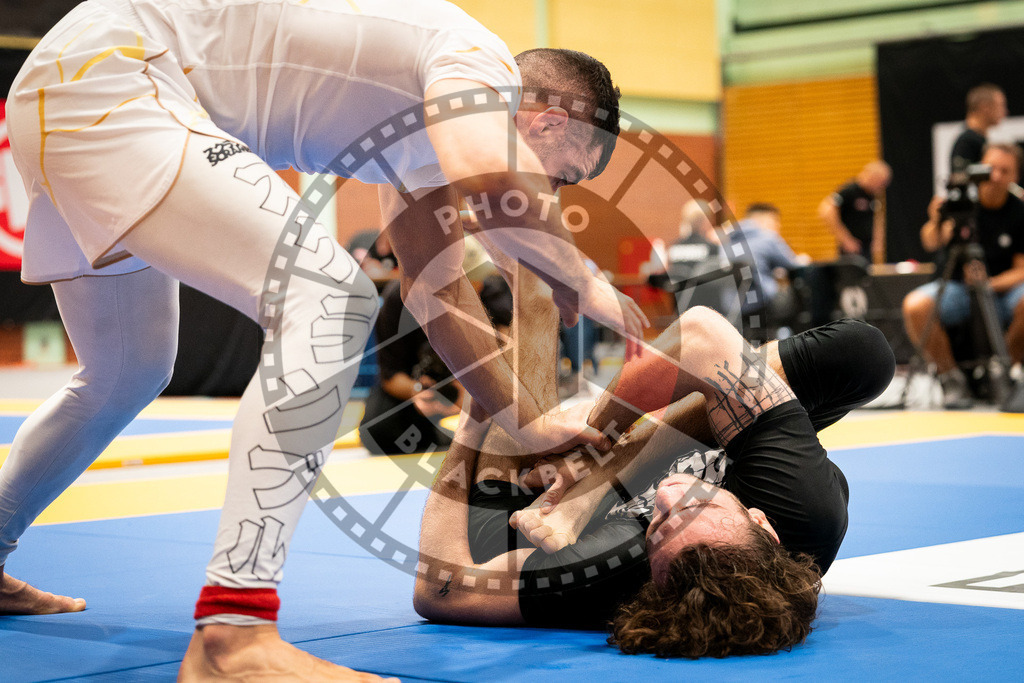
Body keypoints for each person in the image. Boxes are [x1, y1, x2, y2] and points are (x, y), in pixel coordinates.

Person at [1, 0, 647, 678]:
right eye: (562, 175)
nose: (548, 194)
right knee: (333, 294)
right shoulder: (476, 61)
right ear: (547, 120)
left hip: (83, 89)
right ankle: (235, 629)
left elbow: (437, 292)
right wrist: (582, 275)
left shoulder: (431, 137)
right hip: (115, 77)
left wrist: (529, 423)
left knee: (124, 372)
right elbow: (491, 177)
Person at [414, 262, 895, 658]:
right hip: (710, 450)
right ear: (760, 521)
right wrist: (596, 450)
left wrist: (475, 417)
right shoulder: (796, 505)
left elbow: (439, 591)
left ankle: (532, 287)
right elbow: (701, 337)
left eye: (660, 523)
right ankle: (594, 471)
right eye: (694, 505)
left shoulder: (613, 570)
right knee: (861, 356)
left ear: (655, 577)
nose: (668, 495)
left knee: (505, 516)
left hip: (560, 521)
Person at [902, 143, 1024, 408]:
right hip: (956, 289)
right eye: (990, 168)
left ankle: (1006, 373)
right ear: (978, 169)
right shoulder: (961, 202)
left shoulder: (1018, 211)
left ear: (1015, 176)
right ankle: (951, 379)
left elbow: (1021, 269)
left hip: (1002, 292)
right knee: (916, 306)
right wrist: (936, 219)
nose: (996, 176)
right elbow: (931, 241)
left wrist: (989, 283)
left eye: (1005, 171)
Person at [720, 203, 807, 330]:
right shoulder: (767, 237)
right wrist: (803, 260)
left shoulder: (727, 240)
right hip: (763, 304)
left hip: (732, 307)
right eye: (775, 221)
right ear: (763, 219)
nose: (779, 226)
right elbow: (792, 264)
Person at [818, 160, 892, 262]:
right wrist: (845, 239)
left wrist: (877, 239)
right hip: (852, 249)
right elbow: (826, 211)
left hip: (866, 248)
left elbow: (877, 217)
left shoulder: (872, 195)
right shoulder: (850, 191)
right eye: (881, 183)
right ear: (874, 177)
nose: (882, 187)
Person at [950, 84, 1007, 173]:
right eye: (1000, 105)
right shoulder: (967, 142)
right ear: (985, 107)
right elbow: (961, 180)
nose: (1005, 112)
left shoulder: (975, 140)